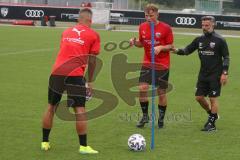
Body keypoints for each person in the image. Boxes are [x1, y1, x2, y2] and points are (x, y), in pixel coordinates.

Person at [41, 8, 100, 154]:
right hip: (75, 74)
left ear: (78, 19)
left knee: (51, 107)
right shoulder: (94, 35)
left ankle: (45, 142)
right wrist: (90, 81)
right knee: (79, 109)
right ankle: (83, 146)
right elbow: (92, 61)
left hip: (57, 72)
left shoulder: (66, 32)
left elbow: (64, 51)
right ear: (90, 21)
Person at [172, 16, 230, 131]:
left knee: (213, 98)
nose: (204, 27)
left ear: (213, 25)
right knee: (199, 98)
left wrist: (225, 73)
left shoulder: (220, 40)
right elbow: (187, 50)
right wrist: (176, 50)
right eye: (203, 25)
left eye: (207, 25)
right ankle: (212, 114)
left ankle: (211, 124)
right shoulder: (199, 39)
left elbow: (226, 57)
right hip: (203, 74)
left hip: (216, 74)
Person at [129, 4, 174, 128]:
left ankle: (161, 119)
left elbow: (171, 46)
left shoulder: (166, 28)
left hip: (162, 65)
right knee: (142, 89)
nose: (148, 18)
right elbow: (141, 44)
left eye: (151, 15)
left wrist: (161, 47)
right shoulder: (142, 27)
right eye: (146, 15)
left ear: (157, 14)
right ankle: (145, 117)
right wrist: (134, 42)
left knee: (161, 93)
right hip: (147, 63)